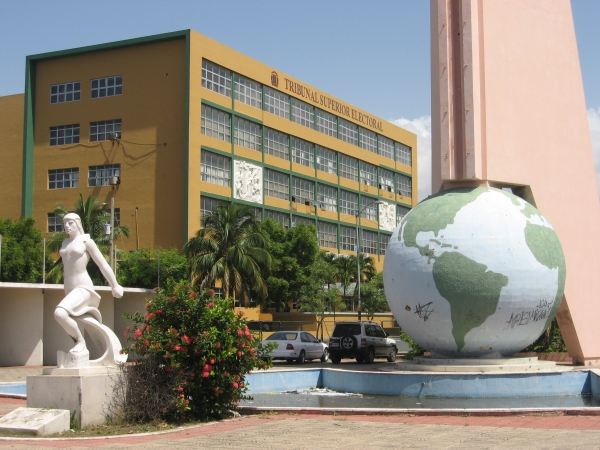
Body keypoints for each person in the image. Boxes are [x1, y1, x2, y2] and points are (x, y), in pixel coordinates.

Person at [54, 213, 123, 357]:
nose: (67, 226)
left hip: (83, 287)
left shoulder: (86, 242)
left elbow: (102, 264)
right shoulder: (65, 243)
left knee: (60, 313)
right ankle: (81, 344)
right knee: (66, 316)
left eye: (70, 223)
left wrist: (114, 285)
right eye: (65, 223)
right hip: (69, 287)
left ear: (78, 223)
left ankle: (80, 343)